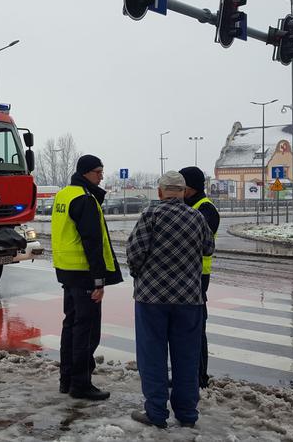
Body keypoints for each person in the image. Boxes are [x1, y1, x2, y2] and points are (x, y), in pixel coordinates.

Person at [126, 171, 214, 429]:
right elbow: (208, 247)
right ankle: (187, 414)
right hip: (189, 298)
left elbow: (134, 253)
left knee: (152, 355)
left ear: (161, 192)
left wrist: (141, 274)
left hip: (152, 298)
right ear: (183, 192)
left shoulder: (150, 216)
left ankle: (156, 412)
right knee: (187, 356)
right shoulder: (197, 217)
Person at [51, 154, 123, 401]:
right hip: (84, 274)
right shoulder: (85, 199)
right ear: (85, 173)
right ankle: (81, 384)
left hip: (67, 271)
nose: (101, 176)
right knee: (87, 331)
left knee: (70, 327)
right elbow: (92, 243)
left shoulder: (63, 195)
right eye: (98, 172)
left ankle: (67, 380)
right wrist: (99, 281)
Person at [179, 166, 220, 389]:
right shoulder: (189, 206)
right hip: (186, 275)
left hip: (197, 276)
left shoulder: (205, 209)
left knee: (195, 329)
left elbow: (195, 240)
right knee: (184, 330)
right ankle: (186, 376)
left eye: (181, 185)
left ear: (190, 187)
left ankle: (199, 377)